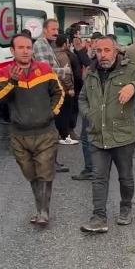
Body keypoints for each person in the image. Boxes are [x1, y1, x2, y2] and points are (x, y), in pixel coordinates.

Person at [78, 36, 135, 233]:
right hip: (97, 135)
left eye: (106, 50)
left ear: (115, 51)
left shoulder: (129, 70)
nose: (102, 55)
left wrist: (133, 86)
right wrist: (89, 114)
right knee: (98, 178)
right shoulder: (91, 72)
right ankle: (98, 217)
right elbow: (82, 98)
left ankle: (126, 208)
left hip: (123, 136)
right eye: (98, 51)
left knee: (125, 177)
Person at [0, 33, 64, 226]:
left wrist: (51, 113)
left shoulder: (45, 69)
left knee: (45, 172)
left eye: (28, 47)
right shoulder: (4, 72)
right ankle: (39, 209)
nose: (26, 51)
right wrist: (12, 82)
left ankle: (44, 212)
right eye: (21, 48)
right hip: (19, 135)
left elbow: (59, 92)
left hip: (45, 132)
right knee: (30, 173)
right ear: (12, 50)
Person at [33, 18, 73, 173]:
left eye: (57, 30)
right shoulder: (41, 45)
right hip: (44, 94)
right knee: (49, 131)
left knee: (49, 130)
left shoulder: (47, 45)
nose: (56, 32)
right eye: (53, 29)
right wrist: (64, 71)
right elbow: (45, 69)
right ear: (44, 30)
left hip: (49, 92)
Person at [71, 32, 104, 181]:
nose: (95, 45)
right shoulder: (93, 56)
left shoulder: (98, 61)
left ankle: (92, 169)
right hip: (92, 102)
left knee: (87, 137)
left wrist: (79, 50)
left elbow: (90, 67)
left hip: (93, 105)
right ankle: (96, 168)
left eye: (97, 42)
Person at [53, 35, 79, 145]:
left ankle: (60, 134)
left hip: (57, 88)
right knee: (65, 113)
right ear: (64, 44)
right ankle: (65, 136)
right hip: (65, 89)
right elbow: (66, 74)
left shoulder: (53, 53)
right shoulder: (63, 56)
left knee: (59, 113)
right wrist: (70, 88)